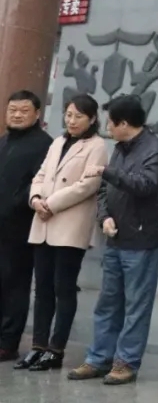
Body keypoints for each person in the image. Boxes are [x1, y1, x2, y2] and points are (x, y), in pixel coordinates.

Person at [68, 95, 158, 386]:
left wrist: (107, 171)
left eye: (110, 123)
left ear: (124, 123)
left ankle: (126, 362)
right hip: (115, 238)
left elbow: (145, 185)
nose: (107, 129)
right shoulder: (120, 149)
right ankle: (98, 358)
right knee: (108, 304)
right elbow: (104, 190)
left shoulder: (155, 150)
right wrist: (104, 217)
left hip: (142, 240)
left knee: (136, 306)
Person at [17, 94, 108, 372]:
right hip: (43, 222)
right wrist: (35, 199)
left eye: (78, 116)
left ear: (92, 119)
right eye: (68, 115)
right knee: (42, 288)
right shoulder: (57, 142)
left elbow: (88, 185)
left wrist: (51, 204)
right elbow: (40, 175)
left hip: (69, 225)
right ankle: (38, 347)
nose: (72, 120)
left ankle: (55, 350)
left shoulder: (97, 146)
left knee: (63, 288)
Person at [0, 90, 54, 362]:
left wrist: (15, 203)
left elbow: (39, 184)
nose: (17, 115)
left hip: (20, 227)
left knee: (14, 285)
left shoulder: (45, 145)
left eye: (24, 111)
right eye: (12, 110)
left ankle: (7, 343)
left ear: (37, 114)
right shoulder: (4, 141)